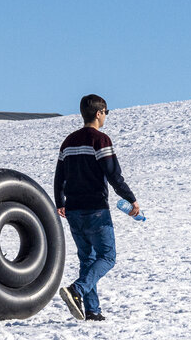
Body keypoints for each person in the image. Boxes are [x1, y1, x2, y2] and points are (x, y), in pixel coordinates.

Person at [53, 94, 139, 321]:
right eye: (106, 113)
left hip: (73, 210)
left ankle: (92, 310)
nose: (105, 117)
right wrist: (130, 198)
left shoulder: (68, 142)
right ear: (99, 113)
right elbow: (113, 174)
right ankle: (76, 290)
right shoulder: (100, 140)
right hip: (96, 210)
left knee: (88, 259)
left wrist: (59, 202)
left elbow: (59, 176)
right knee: (108, 256)